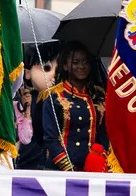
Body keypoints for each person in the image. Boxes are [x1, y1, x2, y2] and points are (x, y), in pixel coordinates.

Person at [54, 44, 106, 172]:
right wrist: (68, 167)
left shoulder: (98, 95)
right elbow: (50, 138)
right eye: (75, 62)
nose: (81, 66)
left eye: (85, 62)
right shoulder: (54, 96)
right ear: (65, 66)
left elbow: (103, 133)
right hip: (62, 169)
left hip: (91, 167)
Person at [15, 50, 69, 172]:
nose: (54, 74)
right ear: (27, 73)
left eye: (58, 69)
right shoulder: (28, 100)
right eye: (47, 68)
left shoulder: (64, 99)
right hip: (30, 162)